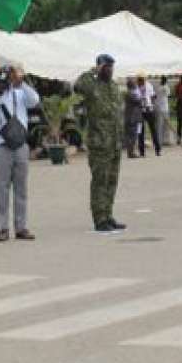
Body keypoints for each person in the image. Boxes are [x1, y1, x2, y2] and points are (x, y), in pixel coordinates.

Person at [0, 64, 40, 242]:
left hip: (20, 145)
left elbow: (35, 100)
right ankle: (3, 228)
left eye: (10, 75)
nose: (7, 79)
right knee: (2, 188)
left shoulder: (19, 92)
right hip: (1, 146)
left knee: (21, 188)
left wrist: (21, 83)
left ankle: (21, 227)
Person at [75, 55, 127, 233]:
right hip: (99, 143)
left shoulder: (113, 86)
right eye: (107, 67)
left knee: (112, 181)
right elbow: (78, 86)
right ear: (100, 68)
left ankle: (108, 214)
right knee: (100, 181)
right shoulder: (91, 85)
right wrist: (92, 71)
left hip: (114, 142)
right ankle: (99, 218)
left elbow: (118, 113)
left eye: (112, 67)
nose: (110, 70)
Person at [134, 73, 161, 156]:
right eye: (139, 80)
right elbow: (135, 98)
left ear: (144, 79)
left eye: (141, 79)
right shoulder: (136, 87)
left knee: (153, 130)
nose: (140, 81)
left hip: (149, 110)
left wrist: (152, 103)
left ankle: (157, 149)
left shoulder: (149, 85)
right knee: (140, 131)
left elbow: (153, 96)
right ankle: (142, 151)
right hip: (140, 111)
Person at [123, 78, 142, 159]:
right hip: (132, 118)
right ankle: (131, 152)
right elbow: (139, 102)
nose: (136, 85)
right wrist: (140, 96)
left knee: (130, 135)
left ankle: (130, 151)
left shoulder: (129, 93)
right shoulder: (131, 94)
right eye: (134, 84)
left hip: (129, 117)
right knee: (132, 135)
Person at [154, 76, 173, 146]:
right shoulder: (162, 87)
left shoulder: (162, 87)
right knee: (160, 125)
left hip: (164, 108)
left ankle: (165, 140)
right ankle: (159, 141)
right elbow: (167, 94)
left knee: (164, 125)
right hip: (160, 108)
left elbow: (167, 94)